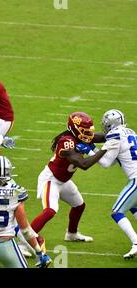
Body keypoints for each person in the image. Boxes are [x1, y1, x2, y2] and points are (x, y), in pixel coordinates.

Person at [30, 111, 120, 250]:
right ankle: (25, 242)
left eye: (89, 131)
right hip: (51, 179)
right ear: (75, 129)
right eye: (85, 131)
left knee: (79, 205)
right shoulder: (66, 142)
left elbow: (100, 137)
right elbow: (83, 164)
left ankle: (71, 234)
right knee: (50, 211)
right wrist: (105, 150)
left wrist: (118, 135)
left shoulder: (80, 137)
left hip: (63, 181)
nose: (89, 135)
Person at [83, 109, 137, 259]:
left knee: (117, 211)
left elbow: (106, 163)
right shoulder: (130, 131)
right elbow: (113, 160)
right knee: (133, 206)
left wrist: (88, 150)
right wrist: (93, 147)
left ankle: (136, 242)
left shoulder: (115, 134)